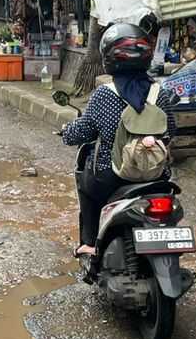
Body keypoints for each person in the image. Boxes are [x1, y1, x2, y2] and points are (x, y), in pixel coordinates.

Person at [61, 24, 178, 257]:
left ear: (109, 59)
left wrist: (67, 132)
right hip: (156, 175)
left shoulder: (104, 95)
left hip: (111, 176)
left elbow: (82, 131)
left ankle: (90, 244)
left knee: (87, 187)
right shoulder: (160, 93)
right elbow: (171, 131)